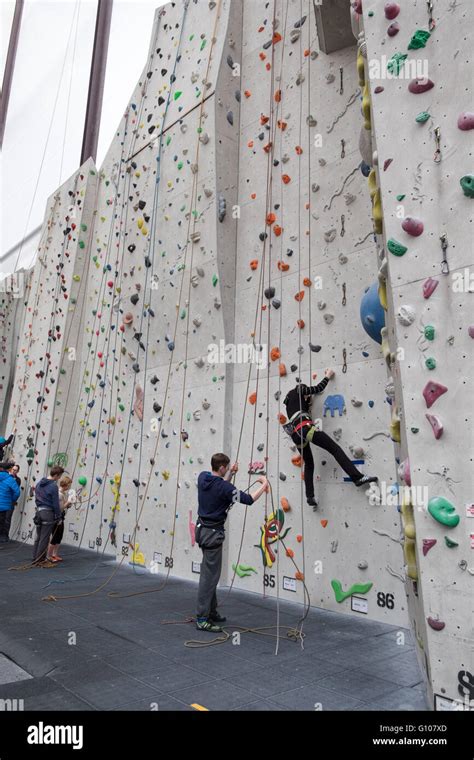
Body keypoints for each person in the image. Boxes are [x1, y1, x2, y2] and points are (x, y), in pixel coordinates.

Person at [283, 370, 378, 510]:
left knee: (309, 464)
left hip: (296, 435)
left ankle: (310, 497)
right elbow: (318, 388)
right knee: (334, 449)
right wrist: (327, 376)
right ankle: (357, 477)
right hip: (306, 427)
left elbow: (301, 406)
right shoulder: (299, 389)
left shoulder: (288, 401)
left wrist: (307, 402)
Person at [195, 453, 268, 632]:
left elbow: (219, 485)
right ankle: (202, 618)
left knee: (209, 573)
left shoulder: (203, 477)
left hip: (202, 530)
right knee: (209, 577)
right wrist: (264, 484)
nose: (227, 469)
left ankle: (211, 612)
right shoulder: (224, 489)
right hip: (212, 534)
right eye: (226, 468)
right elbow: (249, 499)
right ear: (221, 468)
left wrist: (231, 474)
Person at [32, 466, 64, 566]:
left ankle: (35, 557)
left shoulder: (38, 484)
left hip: (39, 512)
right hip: (47, 513)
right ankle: (40, 560)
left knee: (38, 537)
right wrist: (58, 516)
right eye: (59, 476)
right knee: (44, 537)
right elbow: (55, 503)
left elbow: (36, 497)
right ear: (56, 475)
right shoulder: (53, 486)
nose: (59, 478)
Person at [47, 475, 75, 562]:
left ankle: (55, 554)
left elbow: (64, 506)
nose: (70, 487)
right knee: (55, 536)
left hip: (61, 517)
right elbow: (60, 508)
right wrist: (69, 502)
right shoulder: (59, 494)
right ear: (66, 485)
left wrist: (69, 503)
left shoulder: (63, 493)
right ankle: (49, 556)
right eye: (69, 485)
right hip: (56, 518)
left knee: (59, 536)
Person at [0, 462, 21, 543]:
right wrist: (12, 500)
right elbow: (17, 492)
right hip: (5, 506)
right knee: (3, 522)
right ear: (9, 469)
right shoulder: (10, 479)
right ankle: (3, 538)